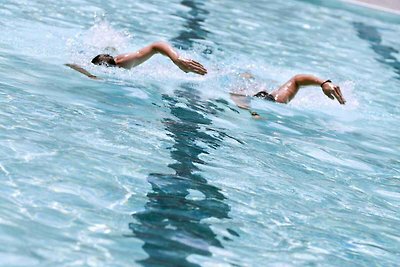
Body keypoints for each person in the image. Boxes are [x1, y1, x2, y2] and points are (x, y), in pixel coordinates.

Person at [65, 41, 207, 79]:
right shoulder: (94, 69)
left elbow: (156, 46)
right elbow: (74, 65)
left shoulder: (124, 64)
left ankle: (111, 46)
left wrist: (176, 59)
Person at [230, 73, 346, 118]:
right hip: (248, 98)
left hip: (258, 99)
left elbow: (297, 80)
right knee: (245, 79)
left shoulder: (276, 101)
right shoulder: (242, 100)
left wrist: (324, 83)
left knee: (247, 79)